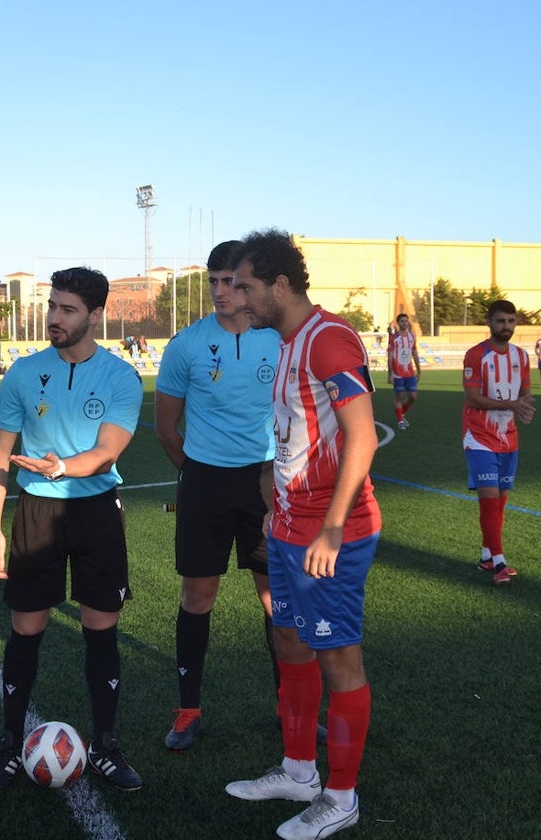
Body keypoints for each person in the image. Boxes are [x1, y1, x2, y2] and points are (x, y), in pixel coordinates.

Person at [226, 229, 381, 840]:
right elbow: (298, 436)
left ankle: (340, 799)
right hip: (291, 527)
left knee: (338, 657)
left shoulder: (329, 340)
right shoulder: (288, 342)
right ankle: (298, 770)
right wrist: (277, 505)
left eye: (246, 287)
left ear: (280, 285)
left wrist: (333, 530)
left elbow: (362, 436)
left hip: (329, 535)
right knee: (290, 642)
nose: (237, 298)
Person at [0, 267, 145, 794]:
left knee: (100, 628)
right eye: (53, 306)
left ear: (95, 315)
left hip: (96, 511)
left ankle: (105, 745)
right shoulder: (24, 374)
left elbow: (105, 454)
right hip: (36, 512)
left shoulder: (121, 378)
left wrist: (59, 468)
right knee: (26, 629)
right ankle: (9, 745)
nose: (55, 317)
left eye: (68, 309)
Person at [155, 241, 288, 752]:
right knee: (198, 597)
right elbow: (166, 428)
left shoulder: (275, 341)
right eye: (212, 281)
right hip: (205, 481)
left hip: (263, 483)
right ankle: (188, 711)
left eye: (230, 281)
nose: (220, 291)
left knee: (275, 598)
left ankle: (288, 707)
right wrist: (195, 474)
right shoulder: (185, 345)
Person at [463, 301, 536, 585]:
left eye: (511, 321)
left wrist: (526, 406)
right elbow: (472, 398)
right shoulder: (476, 355)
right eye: (500, 321)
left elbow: (525, 391)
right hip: (479, 438)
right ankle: (500, 563)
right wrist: (511, 404)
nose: (506, 326)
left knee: (500, 504)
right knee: (489, 502)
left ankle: (485, 557)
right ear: (489, 322)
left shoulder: (521, 356)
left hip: (509, 438)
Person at [387, 314, 421, 430]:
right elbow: (390, 356)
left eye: (406, 321)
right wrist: (390, 374)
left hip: (410, 373)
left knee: (413, 396)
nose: (404, 323)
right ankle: (400, 421)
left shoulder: (411, 336)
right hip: (397, 373)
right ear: (398, 323)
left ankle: (401, 413)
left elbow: (415, 353)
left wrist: (419, 370)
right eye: (402, 321)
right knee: (399, 397)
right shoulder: (394, 338)